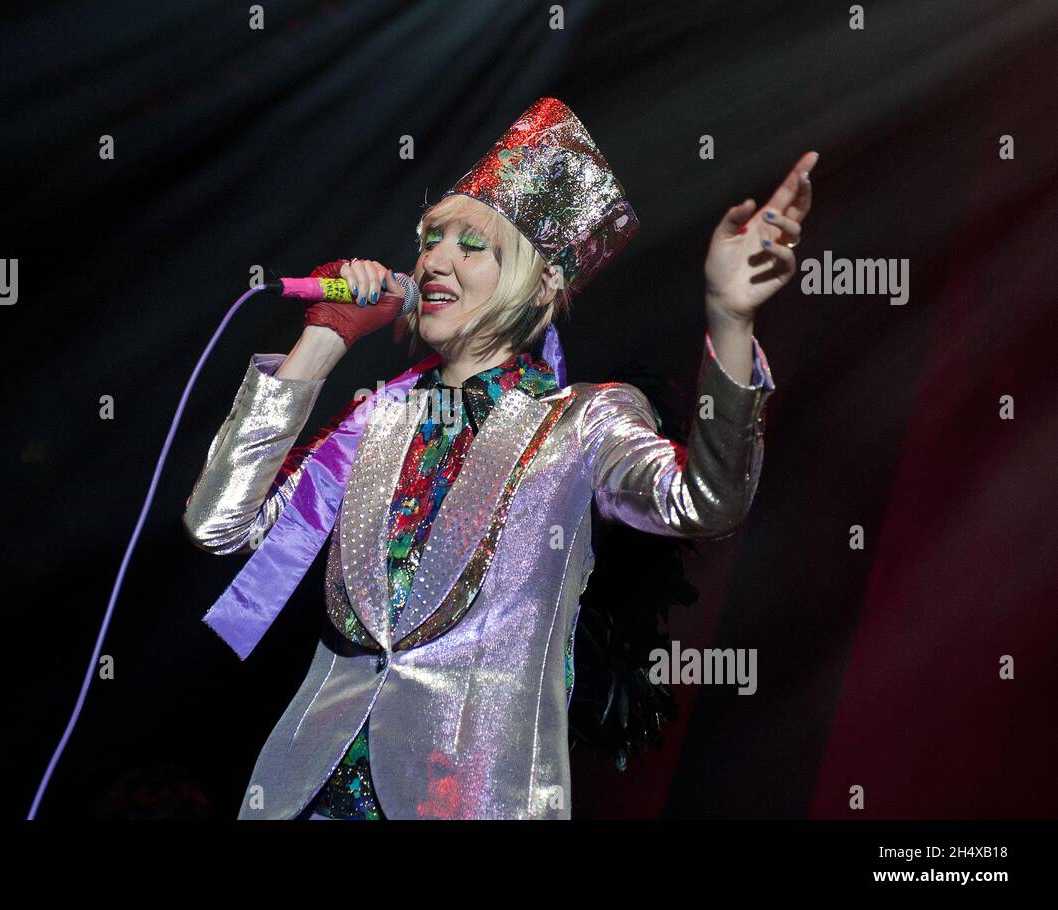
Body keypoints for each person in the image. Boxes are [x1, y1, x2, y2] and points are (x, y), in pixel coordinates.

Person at [184, 98, 815, 819]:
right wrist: (324, 340)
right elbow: (218, 525)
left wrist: (729, 319)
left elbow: (706, 501)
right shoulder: (377, 418)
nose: (435, 260)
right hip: (307, 794)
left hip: (467, 797)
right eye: (431, 238)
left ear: (542, 283)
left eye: (471, 244)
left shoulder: (580, 422)